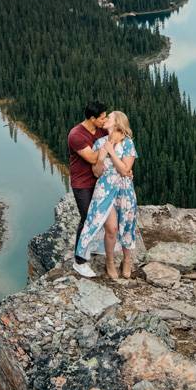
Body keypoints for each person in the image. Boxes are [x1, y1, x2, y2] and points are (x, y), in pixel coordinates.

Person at [76, 111, 140, 280]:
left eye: (108, 118)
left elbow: (125, 171)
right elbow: (96, 173)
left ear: (117, 122)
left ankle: (127, 260)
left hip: (124, 189)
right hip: (104, 189)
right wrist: (100, 159)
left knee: (126, 226)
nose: (105, 120)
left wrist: (111, 152)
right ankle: (110, 262)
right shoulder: (99, 143)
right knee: (111, 228)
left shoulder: (128, 143)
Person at [68, 101, 109, 277]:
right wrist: (109, 147)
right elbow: (92, 158)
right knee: (87, 219)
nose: (105, 120)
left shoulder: (101, 129)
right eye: (102, 117)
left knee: (101, 216)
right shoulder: (76, 135)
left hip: (100, 181)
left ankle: (93, 247)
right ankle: (79, 261)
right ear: (92, 119)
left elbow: (117, 135)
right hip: (82, 183)